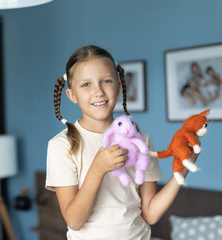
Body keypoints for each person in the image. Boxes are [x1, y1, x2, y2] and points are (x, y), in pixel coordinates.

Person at [46, 45, 199, 239]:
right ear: (72, 95)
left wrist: (184, 166)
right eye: (86, 84)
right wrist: (98, 169)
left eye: (106, 81)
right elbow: (75, 221)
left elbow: (150, 214)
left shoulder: (141, 140)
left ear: (118, 87)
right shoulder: (61, 146)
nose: (98, 91)